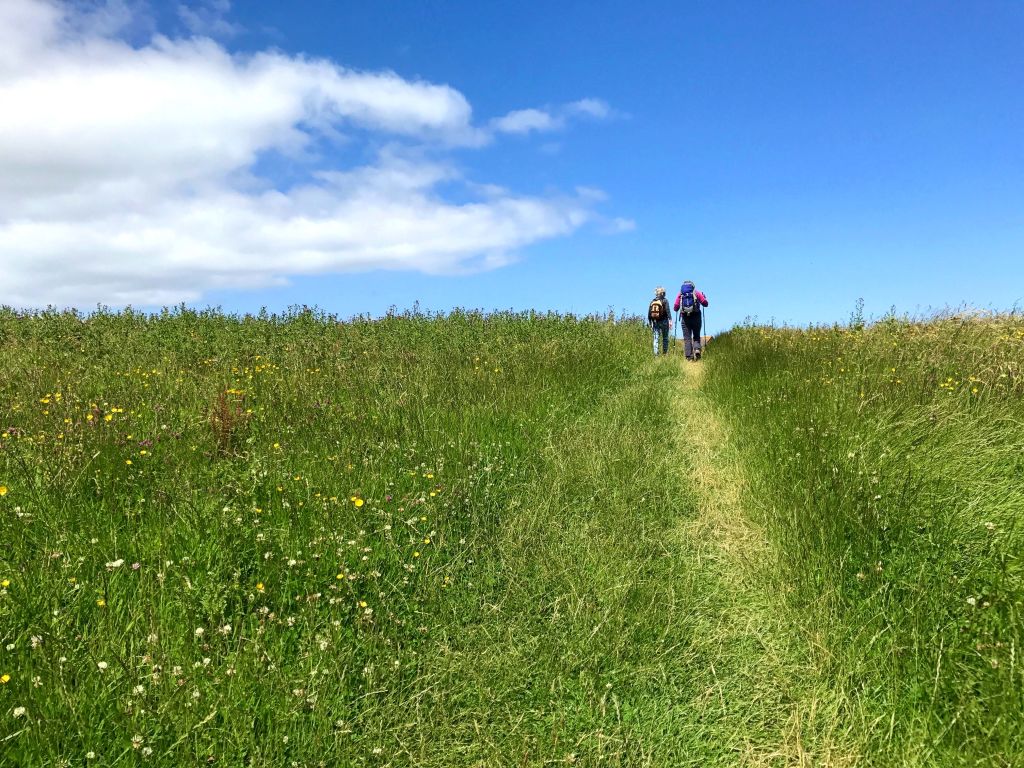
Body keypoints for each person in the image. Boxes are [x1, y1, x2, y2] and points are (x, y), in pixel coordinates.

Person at [674, 280, 709, 361]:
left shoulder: (681, 294)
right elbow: (705, 304)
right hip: (696, 316)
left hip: (685, 318)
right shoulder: (696, 293)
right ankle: (697, 349)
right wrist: (704, 297)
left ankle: (689, 357)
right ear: (692, 286)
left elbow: (675, 307)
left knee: (687, 338)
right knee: (696, 335)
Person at [647, 287, 671, 356]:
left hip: (655, 322)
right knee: (665, 338)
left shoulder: (652, 301)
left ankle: (656, 355)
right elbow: (668, 311)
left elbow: (649, 314)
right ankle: (664, 353)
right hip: (664, 321)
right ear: (663, 293)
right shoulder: (665, 300)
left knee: (656, 339)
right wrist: (670, 320)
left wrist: (650, 322)